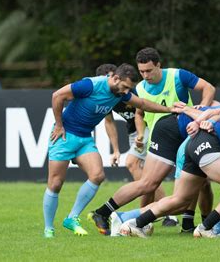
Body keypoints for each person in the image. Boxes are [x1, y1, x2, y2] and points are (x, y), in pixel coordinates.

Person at [42, 63, 184, 238]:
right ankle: (49, 229)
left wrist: (169, 109)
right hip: (64, 136)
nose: (126, 92)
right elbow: (58, 95)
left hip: (84, 138)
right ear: (115, 78)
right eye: (125, 87)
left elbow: (142, 103)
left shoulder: (120, 94)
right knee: (55, 184)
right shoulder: (90, 85)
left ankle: (72, 217)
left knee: (97, 176)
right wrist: (58, 125)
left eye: (129, 89)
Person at [89, 47, 216, 234]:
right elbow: (139, 114)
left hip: (188, 134)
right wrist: (140, 133)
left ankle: (197, 225)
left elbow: (208, 88)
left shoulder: (177, 76)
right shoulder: (139, 88)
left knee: (202, 183)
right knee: (149, 184)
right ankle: (106, 212)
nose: (145, 75)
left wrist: (201, 111)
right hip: (162, 137)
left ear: (159, 65)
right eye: (141, 71)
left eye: (149, 70)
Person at [118, 100, 220, 238]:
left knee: (180, 200)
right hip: (208, 143)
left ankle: (135, 224)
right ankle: (206, 228)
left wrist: (202, 120)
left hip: (195, 143)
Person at [95, 64, 167, 206]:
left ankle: (154, 211)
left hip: (149, 127)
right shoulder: (104, 94)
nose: (110, 82)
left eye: (112, 78)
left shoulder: (131, 90)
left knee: (132, 163)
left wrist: (141, 134)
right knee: (147, 174)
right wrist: (115, 150)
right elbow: (109, 122)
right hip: (134, 132)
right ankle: (157, 212)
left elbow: (143, 111)